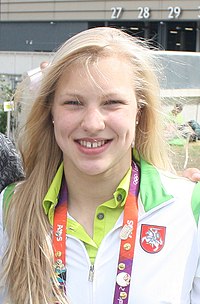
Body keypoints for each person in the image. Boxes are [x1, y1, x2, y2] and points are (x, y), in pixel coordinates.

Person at [0, 27, 200, 304]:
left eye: (112, 103)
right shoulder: (9, 208)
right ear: (51, 113)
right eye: (73, 103)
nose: (93, 123)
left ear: (139, 113)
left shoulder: (189, 208)